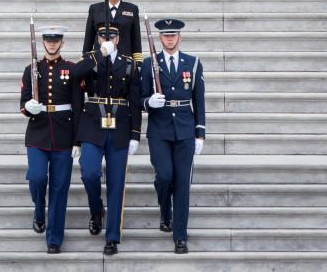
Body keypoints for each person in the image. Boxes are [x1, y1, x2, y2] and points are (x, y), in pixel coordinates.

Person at [141, 18, 205, 255]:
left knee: (182, 185)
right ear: (159, 38)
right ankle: (164, 209)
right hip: (159, 130)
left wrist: (200, 133)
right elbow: (138, 99)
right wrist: (149, 102)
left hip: (185, 130)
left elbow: (199, 100)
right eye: (166, 35)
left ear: (180, 37)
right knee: (165, 176)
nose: (169, 38)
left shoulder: (193, 63)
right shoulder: (149, 64)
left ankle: (180, 236)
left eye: (173, 35)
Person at [76, 23, 142, 256]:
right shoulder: (92, 58)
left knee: (116, 184)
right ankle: (96, 210)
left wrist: (136, 134)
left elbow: (134, 101)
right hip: (93, 124)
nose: (107, 38)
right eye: (102, 35)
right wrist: (98, 54)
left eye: (111, 35)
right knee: (89, 172)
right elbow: (75, 74)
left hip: (121, 126)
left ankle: (112, 236)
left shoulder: (130, 64)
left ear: (118, 38)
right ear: (97, 38)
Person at [20, 25, 83, 254]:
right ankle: (39, 210)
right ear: (43, 42)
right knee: (36, 178)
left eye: (56, 40)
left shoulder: (72, 69)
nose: (52, 43)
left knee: (60, 188)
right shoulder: (31, 69)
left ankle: (54, 238)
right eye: (48, 40)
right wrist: (28, 107)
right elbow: (23, 102)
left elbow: (78, 107)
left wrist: (78, 141)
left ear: (62, 43)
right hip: (37, 133)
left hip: (64, 135)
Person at [82, 0, 142, 64]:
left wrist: (137, 61)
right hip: (100, 60)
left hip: (124, 60)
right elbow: (89, 37)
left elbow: (135, 37)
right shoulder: (95, 8)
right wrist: (85, 59)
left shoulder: (132, 9)